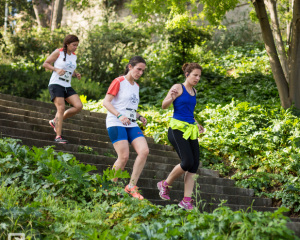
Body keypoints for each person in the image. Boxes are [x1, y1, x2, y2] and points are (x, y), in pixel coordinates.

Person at [157, 62, 205, 210]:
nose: (197, 78)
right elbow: (164, 105)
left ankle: (186, 200)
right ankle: (164, 184)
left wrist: (197, 123)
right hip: (177, 129)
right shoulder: (178, 87)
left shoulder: (194, 91)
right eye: (195, 75)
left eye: (199, 76)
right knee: (187, 161)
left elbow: (189, 112)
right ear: (187, 74)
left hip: (190, 129)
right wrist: (171, 97)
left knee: (194, 164)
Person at [103, 56, 149, 200]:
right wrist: (119, 115)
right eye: (138, 69)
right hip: (116, 122)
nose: (140, 73)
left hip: (131, 123)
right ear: (130, 67)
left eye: (143, 71)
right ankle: (109, 188)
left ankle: (131, 186)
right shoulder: (119, 81)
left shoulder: (136, 86)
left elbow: (130, 108)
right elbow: (106, 102)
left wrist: (139, 116)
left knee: (144, 151)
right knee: (123, 157)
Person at [43, 35, 83, 144]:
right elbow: (45, 64)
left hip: (67, 85)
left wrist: (75, 74)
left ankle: (55, 121)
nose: (75, 47)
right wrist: (56, 69)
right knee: (61, 108)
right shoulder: (58, 52)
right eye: (74, 45)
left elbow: (69, 70)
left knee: (78, 106)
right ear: (67, 44)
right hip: (56, 84)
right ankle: (58, 137)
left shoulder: (74, 56)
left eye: (77, 45)